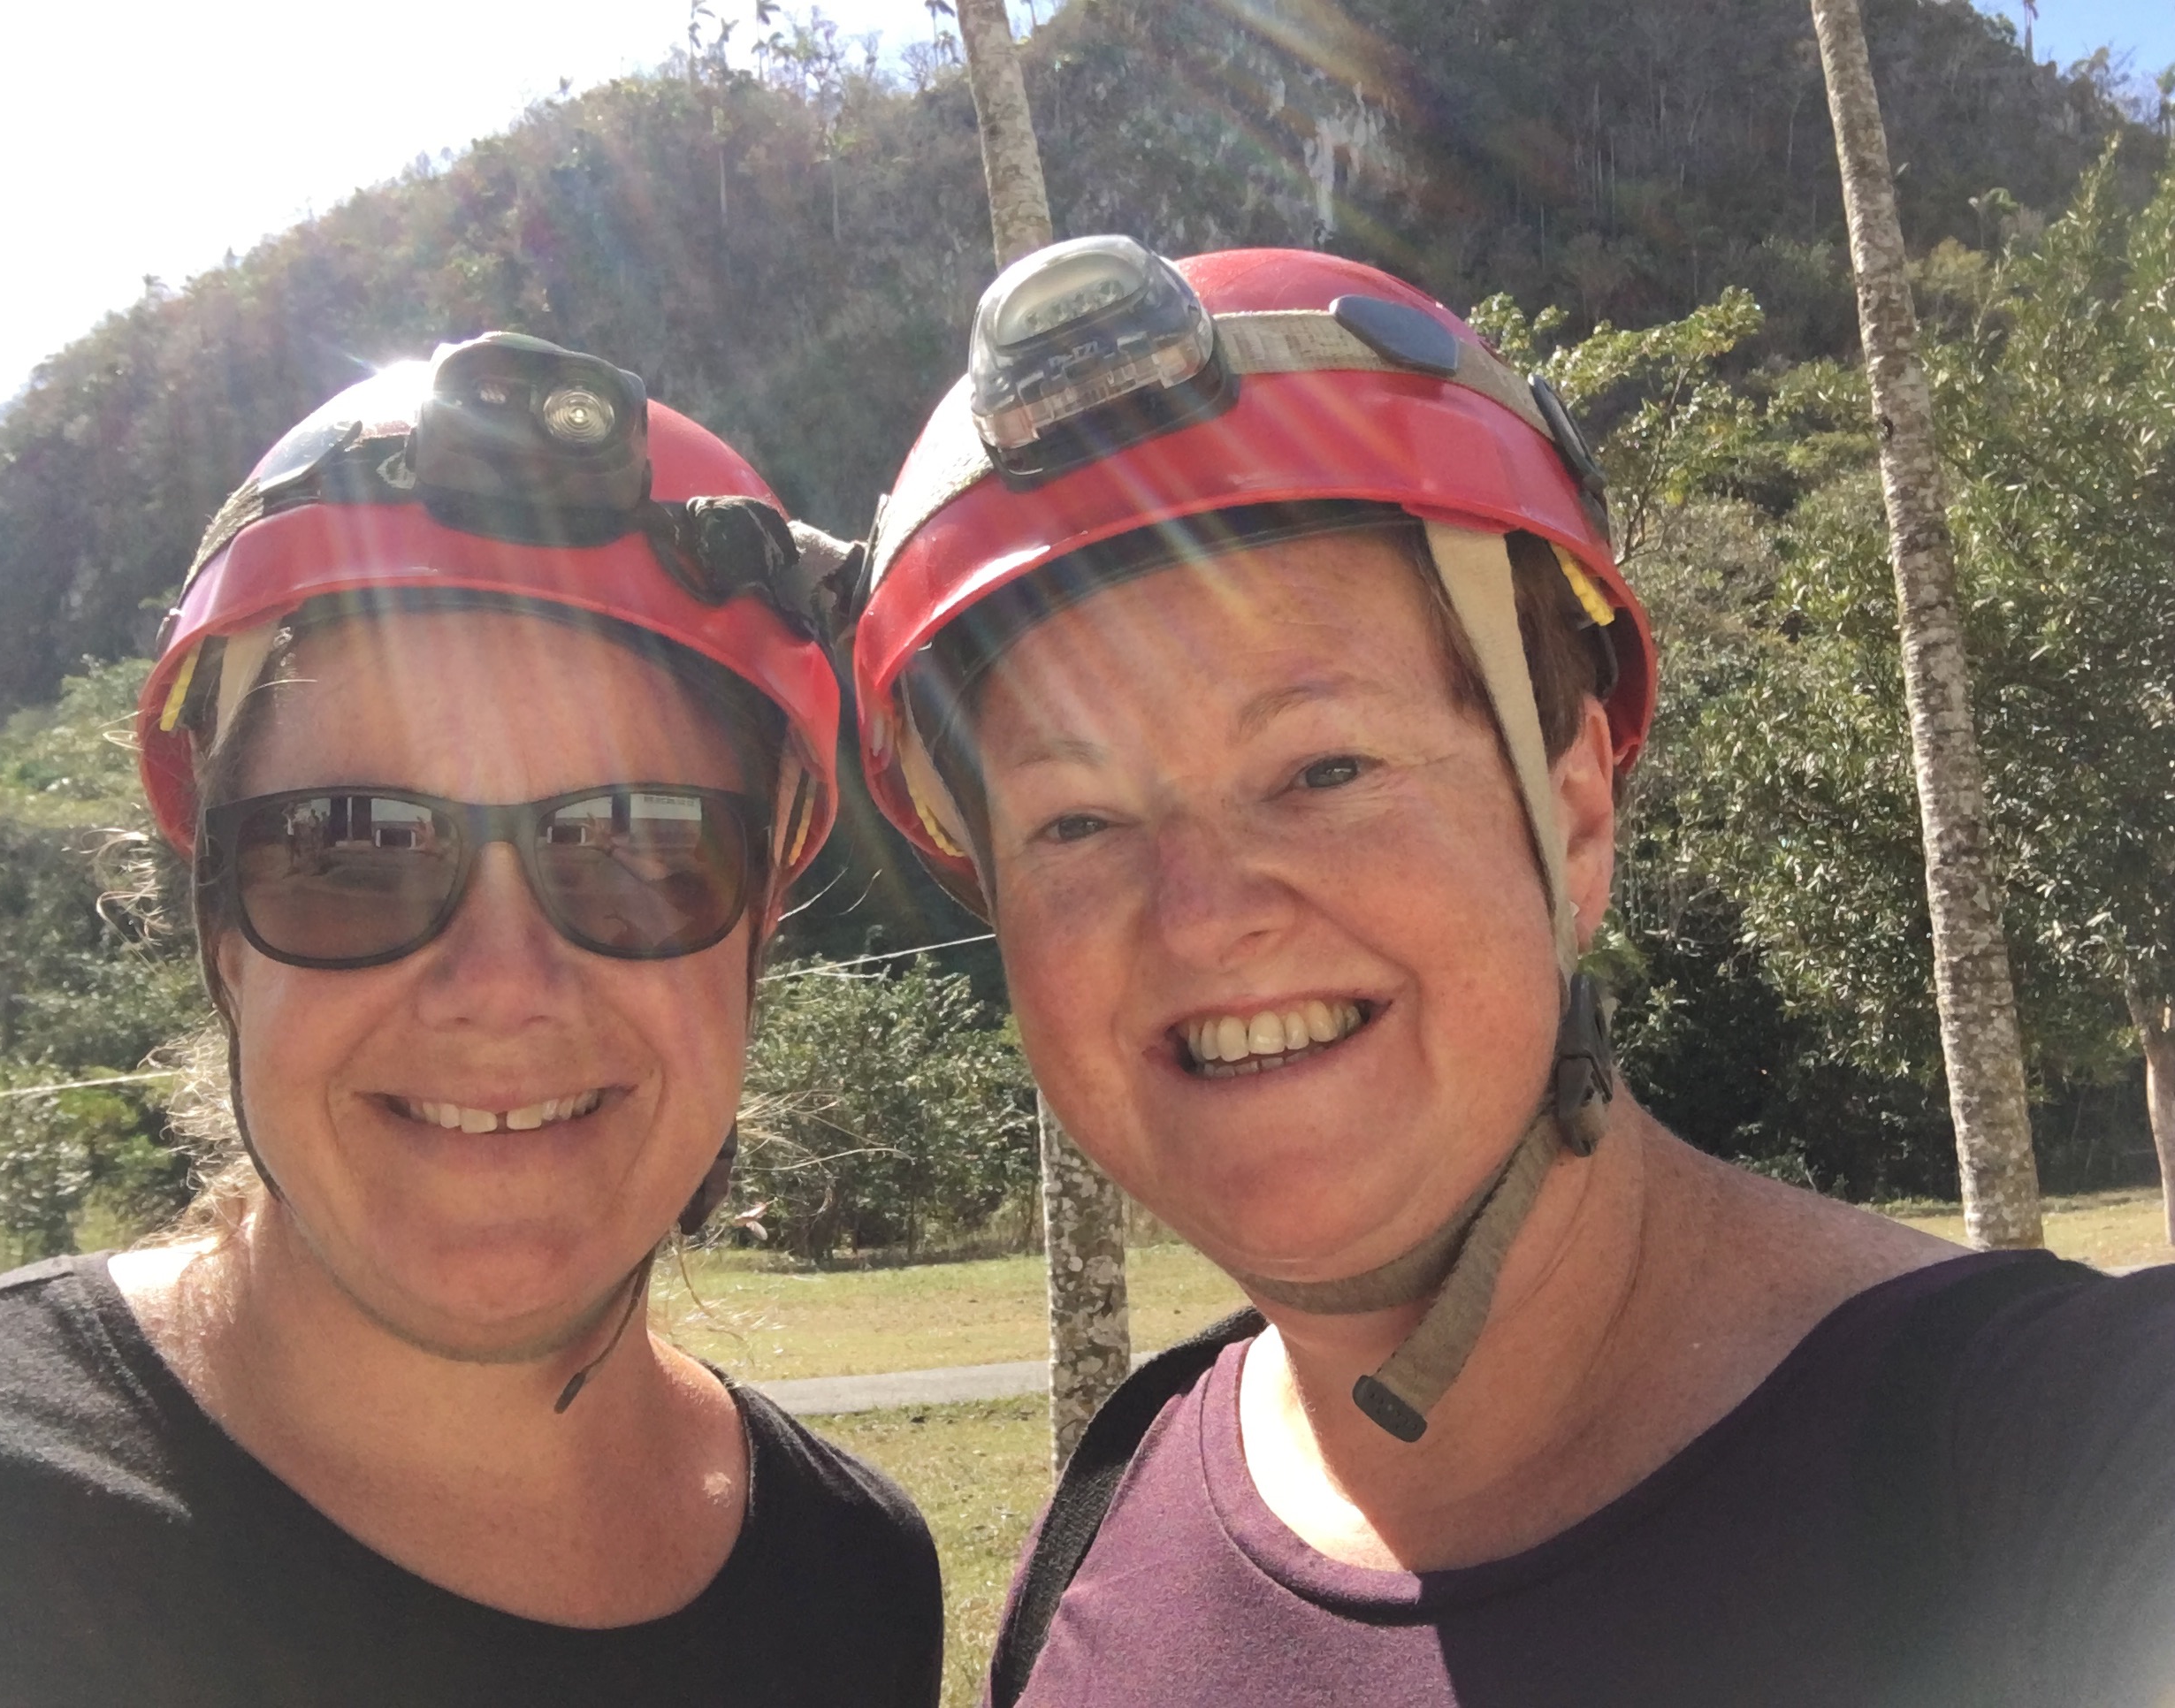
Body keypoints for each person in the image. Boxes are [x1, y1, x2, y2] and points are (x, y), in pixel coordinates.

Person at [847, 239, 2175, 1705]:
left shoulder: (2061, 1453)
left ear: (1577, 819)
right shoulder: (1105, 1526)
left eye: (1322, 767)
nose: (1200, 917)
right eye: (1076, 822)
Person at [0, 334, 942, 1705]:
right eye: (352, 847)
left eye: (635, 849)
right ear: (217, 921)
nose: (499, 987)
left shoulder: (853, 1583)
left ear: (760, 924)